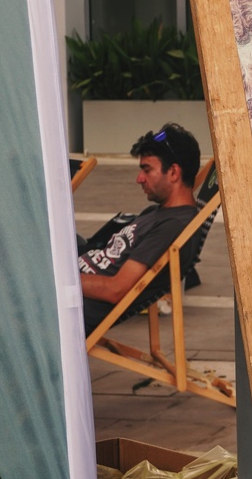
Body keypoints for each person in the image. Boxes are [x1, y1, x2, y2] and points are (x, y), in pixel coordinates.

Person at [79, 123, 202, 334]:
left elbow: (115, 290)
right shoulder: (158, 212)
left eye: (147, 170)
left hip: (67, 306)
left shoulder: (172, 226)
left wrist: (57, 280)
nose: (139, 179)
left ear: (173, 172)